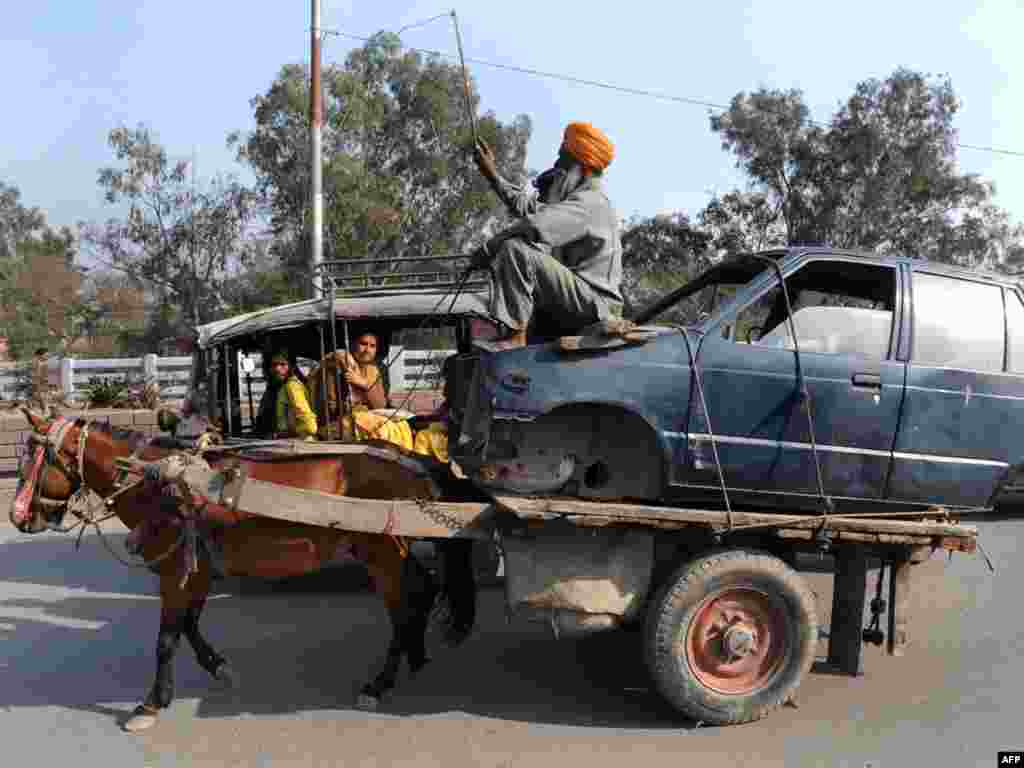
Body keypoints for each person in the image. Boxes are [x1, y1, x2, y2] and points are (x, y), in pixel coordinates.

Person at [470, 121, 624, 347]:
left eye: (562, 161)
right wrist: (492, 174)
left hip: (598, 306)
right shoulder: (576, 202)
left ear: (582, 166)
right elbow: (529, 208)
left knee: (516, 250)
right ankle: (517, 336)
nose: (557, 166)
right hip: (580, 302)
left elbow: (532, 225)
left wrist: (487, 248)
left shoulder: (591, 202)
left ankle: (514, 338)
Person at [269, 350, 317, 441]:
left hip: (298, 441)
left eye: (283, 364)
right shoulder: (284, 386)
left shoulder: (292, 385)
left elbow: (305, 416)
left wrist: (305, 432)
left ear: (292, 367)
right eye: (274, 365)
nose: (277, 369)